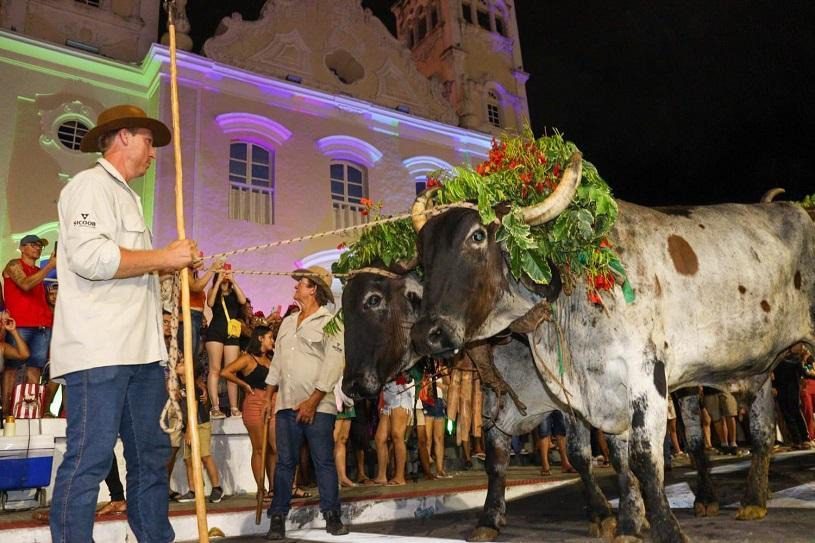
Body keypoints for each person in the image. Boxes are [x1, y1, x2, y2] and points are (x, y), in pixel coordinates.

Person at [49, 104, 200, 543]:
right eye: (149, 141)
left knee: (151, 458)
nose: (153, 153)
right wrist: (164, 258)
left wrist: (164, 267)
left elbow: (126, 265)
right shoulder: (88, 187)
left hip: (142, 353)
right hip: (100, 351)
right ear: (123, 138)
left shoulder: (128, 197)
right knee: (89, 459)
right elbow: (90, 258)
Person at [263, 266, 348, 540]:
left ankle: (332, 515)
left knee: (322, 461)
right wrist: (268, 395)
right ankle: (278, 517)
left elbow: (334, 365)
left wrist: (312, 401)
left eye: (300, 283)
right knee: (285, 462)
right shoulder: (288, 322)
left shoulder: (330, 322)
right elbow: (277, 361)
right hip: (286, 404)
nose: (295, 287)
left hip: (318, 407)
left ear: (313, 289)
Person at [2, 234, 55, 414]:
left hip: (41, 326)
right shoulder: (14, 265)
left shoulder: (38, 271)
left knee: (35, 370)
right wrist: (49, 266)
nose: (38, 248)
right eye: (33, 245)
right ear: (22, 247)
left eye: (40, 245)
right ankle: (7, 413)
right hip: (20, 325)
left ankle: (30, 412)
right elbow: (25, 285)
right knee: (12, 368)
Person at [220, 326, 277, 497]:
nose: (272, 341)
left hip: (274, 401)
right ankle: (261, 489)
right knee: (260, 448)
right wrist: (243, 384)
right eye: (270, 337)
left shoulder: (272, 359)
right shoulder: (248, 359)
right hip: (255, 403)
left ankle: (274, 487)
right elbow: (226, 371)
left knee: (274, 448)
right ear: (260, 338)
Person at [174, 356, 223, 504]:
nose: (178, 364)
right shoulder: (180, 387)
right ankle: (193, 489)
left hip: (199, 425)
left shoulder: (192, 387)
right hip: (188, 426)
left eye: (182, 363)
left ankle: (217, 488)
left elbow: (193, 409)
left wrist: (190, 430)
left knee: (205, 456)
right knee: (188, 459)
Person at [206, 267, 247, 418]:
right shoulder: (213, 291)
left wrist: (233, 281)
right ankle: (215, 407)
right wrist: (218, 283)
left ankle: (234, 407)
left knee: (231, 371)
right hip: (216, 331)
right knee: (215, 369)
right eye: (222, 272)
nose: (225, 275)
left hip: (232, 333)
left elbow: (243, 300)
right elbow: (210, 303)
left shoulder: (234, 292)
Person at [373, 374, 414, 486]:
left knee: (397, 435)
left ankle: (400, 477)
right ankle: (381, 476)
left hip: (400, 394)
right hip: (388, 396)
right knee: (380, 438)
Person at [536, 409, 576, 476]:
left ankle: (565, 463)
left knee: (561, 429)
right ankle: (545, 465)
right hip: (542, 403)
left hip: (557, 403)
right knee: (544, 430)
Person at [702, 387, 740, 454]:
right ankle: (724, 444)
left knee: (730, 414)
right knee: (716, 418)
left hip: (725, 388)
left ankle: (733, 444)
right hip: (709, 391)